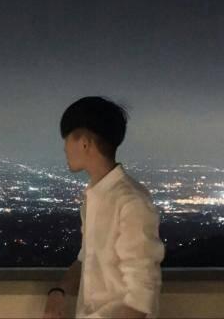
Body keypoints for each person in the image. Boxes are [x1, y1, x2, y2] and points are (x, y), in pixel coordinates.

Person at [43, 96, 165, 319]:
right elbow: (86, 258)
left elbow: (141, 294)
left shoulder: (131, 201)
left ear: (84, 143)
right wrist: (59, 291)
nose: (64, 148)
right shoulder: (94, 196)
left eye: (67, 139)